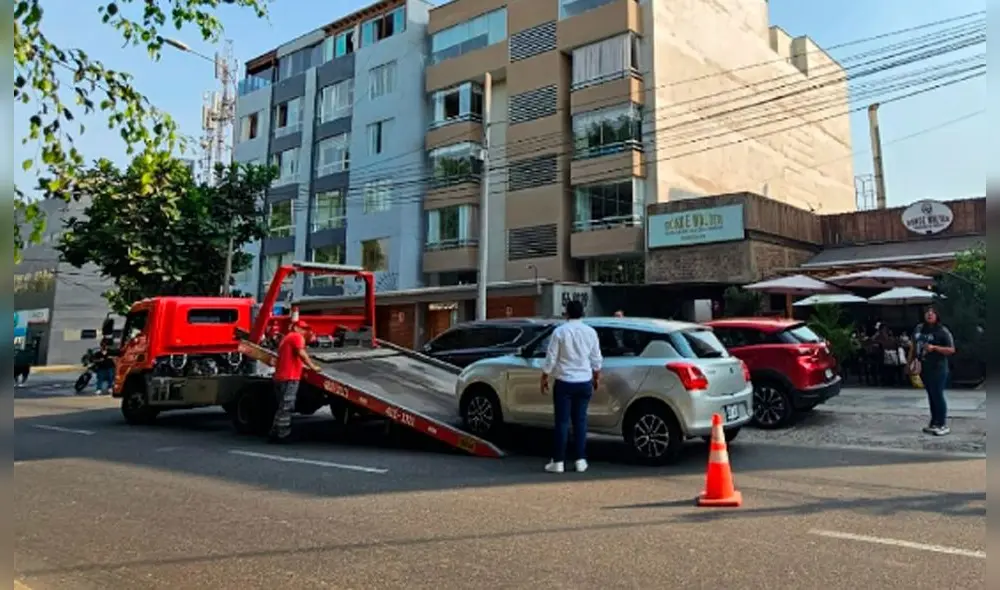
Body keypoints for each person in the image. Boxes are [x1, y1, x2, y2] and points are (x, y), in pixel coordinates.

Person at [540, 300, 603, 473]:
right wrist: (596, 377)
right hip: (584, 381)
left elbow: (551, 357)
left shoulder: (559, 332)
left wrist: (545, 376)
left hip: (564, 381)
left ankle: (558, 461)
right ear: (582, 313)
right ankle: (580, 460)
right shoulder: (591, 332)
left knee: (562, 422)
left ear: (566, 313)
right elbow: (596, 358)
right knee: (580, 421)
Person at [270, 320, 321, 443]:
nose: (304, 331)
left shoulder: (286, 338)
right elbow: (301, 353)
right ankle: (283, 434)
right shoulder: (296, 337)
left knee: (282, 406)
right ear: (296, 328)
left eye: (306, 329)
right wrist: (312, 366)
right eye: (302, 329)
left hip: (280, 377)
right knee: (287, 406)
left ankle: (275, 431)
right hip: (290, 377)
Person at [909, 306, 956, 436]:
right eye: (927, 312)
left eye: (932, 313)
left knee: (937, 394)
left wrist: (935, 348)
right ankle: (934, 421)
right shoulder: (919, 329)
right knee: (931, 394)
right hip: (924, 366)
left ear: (937, 315)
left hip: (938, 367)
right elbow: (914, 346)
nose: (929, 315)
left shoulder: (942, 331)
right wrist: (909, 363)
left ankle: (942, 423)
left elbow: (951, 350)